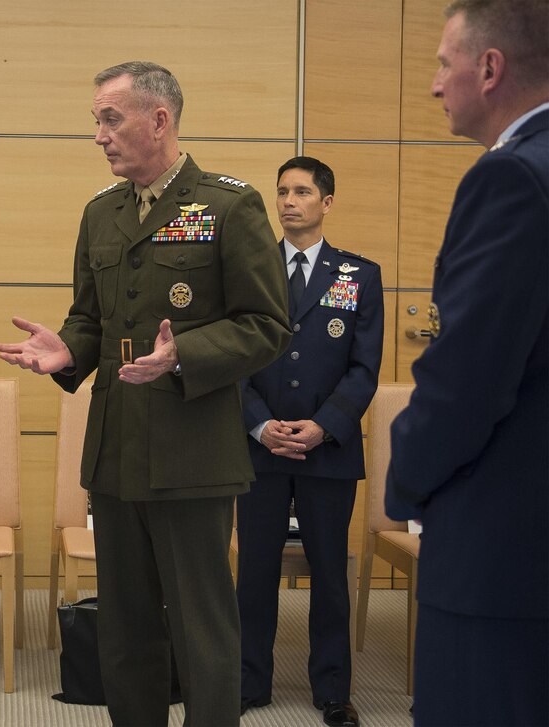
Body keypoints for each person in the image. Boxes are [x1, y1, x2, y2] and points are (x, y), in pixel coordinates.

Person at [0, 62, 290, 726]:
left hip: (193, 453)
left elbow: (267, 325)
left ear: (160, 119)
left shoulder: (227, 205)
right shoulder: (102, 212)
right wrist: (69, 349)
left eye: (110, 118)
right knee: (126, 631)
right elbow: (91, 319)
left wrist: (184, 353)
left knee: (201, 630)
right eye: (96, 120)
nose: (100, 135)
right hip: (117, 453)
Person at [385, 1, 548, 725]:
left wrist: (408, 476)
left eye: (442, 63)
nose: (433, 85)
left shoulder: (510, 179)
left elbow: (467, 379)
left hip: (504, 545)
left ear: (489, 68)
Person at [237, 157, 382, 727]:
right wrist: (259, 424)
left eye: (302, 192)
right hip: (259, 450)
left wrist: (324, 425)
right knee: (253, 575)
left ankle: (332, 691)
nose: (288, 201)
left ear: (327, 202)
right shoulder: (250, 271)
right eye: (281, 192)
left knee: (328, 574)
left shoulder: (358, 276)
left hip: (329, 451)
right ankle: (249, 682)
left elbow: (364, 369)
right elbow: (235, 361)